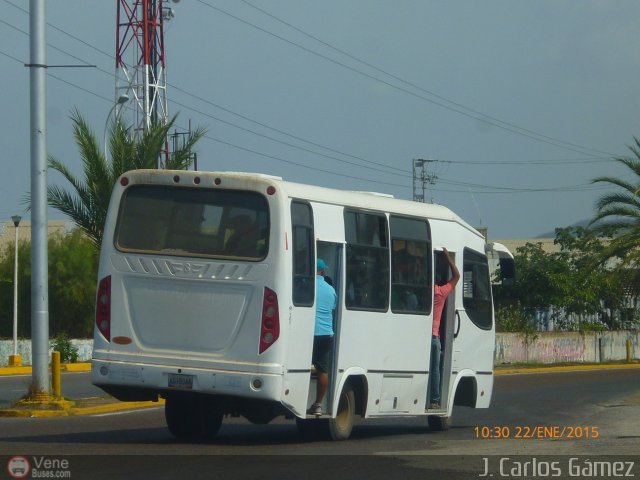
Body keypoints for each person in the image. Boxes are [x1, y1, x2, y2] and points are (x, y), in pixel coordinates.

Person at [429, 247, 460, 409]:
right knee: (435, 370)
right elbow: (457, 276)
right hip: (434, 338)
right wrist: (449, 259)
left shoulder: (423, 293)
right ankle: (434, 400)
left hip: (418, 338)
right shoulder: (441, 292)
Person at [308, 258, 337, 416]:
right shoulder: (331, 289)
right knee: (322, 370)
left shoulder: (306, 286)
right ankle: (318, 404)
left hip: (309, 333)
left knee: (302, 367)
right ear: (323, 272)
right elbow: (332, 307)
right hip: (326, 334)